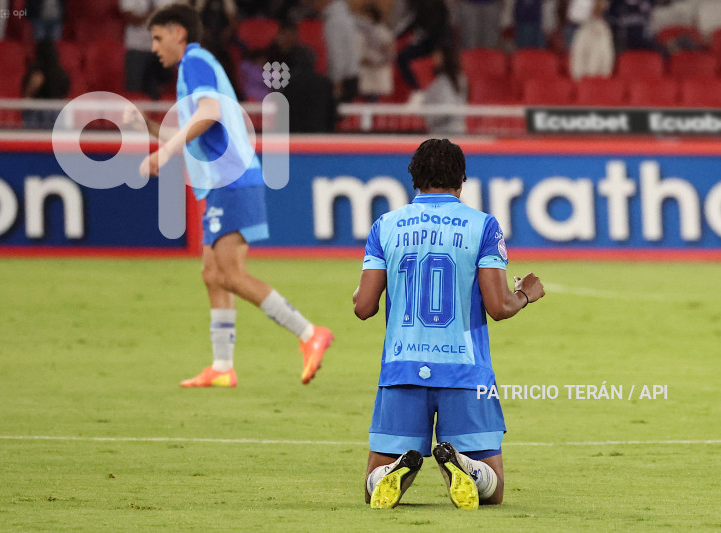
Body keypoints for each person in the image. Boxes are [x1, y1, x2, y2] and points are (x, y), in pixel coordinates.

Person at [126, 3, 333, 387]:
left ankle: (309, 333)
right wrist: (149, 129)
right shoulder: (194, 70)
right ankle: (222, 366)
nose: (154, 47)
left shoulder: (195, 60)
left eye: (157, 38)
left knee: (231, 274)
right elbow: (195, 130)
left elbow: (210, 112)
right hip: (226, 183)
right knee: (212, 273)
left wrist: (165, 153)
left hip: (232, 183)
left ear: (178, 32)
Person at [353, 139, 545, 509]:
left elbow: (364, 308)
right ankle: (466, 469)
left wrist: (357, 293)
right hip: (465, 372)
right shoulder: (483, 226)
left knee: (371, 489)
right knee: (495, 492)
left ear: (414, 178)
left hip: (402, 369)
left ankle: (393, 471)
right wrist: (526, 293)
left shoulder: (386, 226)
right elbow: (499, 307)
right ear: (462, 179)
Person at [21, 39, 70, 129]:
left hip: (40, 113)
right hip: (57, 113)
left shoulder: (37, 74)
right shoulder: (62, 73)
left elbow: (28, 96)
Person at [422, 47, 468, 134]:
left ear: (445, 57)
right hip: (441, 132)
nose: (434, 59)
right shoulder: (441, 80)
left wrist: (428, 116)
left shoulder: (453, 80)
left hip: (448, 133)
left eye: (437, 56)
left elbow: (447, 109)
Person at [569, 0, 614, 80]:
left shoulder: (604, 30)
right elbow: (573, 16)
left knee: (603, 56)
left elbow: (607, 57)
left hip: (601, 28)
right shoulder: (582, 32)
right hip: (583, 27)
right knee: (579, 57)